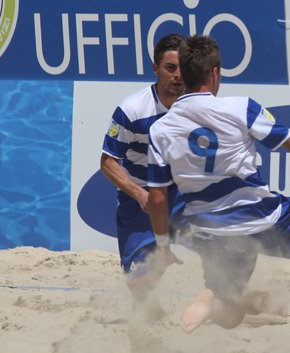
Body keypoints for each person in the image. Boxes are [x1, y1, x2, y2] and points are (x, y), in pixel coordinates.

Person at [145, 34, 290, 334]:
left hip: (205, 228)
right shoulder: (240, 107)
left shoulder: (160, 128)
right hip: (257, 217)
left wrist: (163, 245)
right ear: (215, 72)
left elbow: (157, 198)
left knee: (230, 317)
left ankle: (209, 299)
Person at [100, 33, 187, 302]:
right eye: (170, 68)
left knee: (230, 246)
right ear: (155, 68)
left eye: (183, 68)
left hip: (184, 193)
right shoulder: (132, 109)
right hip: (142, 196)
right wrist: (139, 195)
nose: (177, 75)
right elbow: (107, 162)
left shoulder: (197, 106)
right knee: (139, 282)